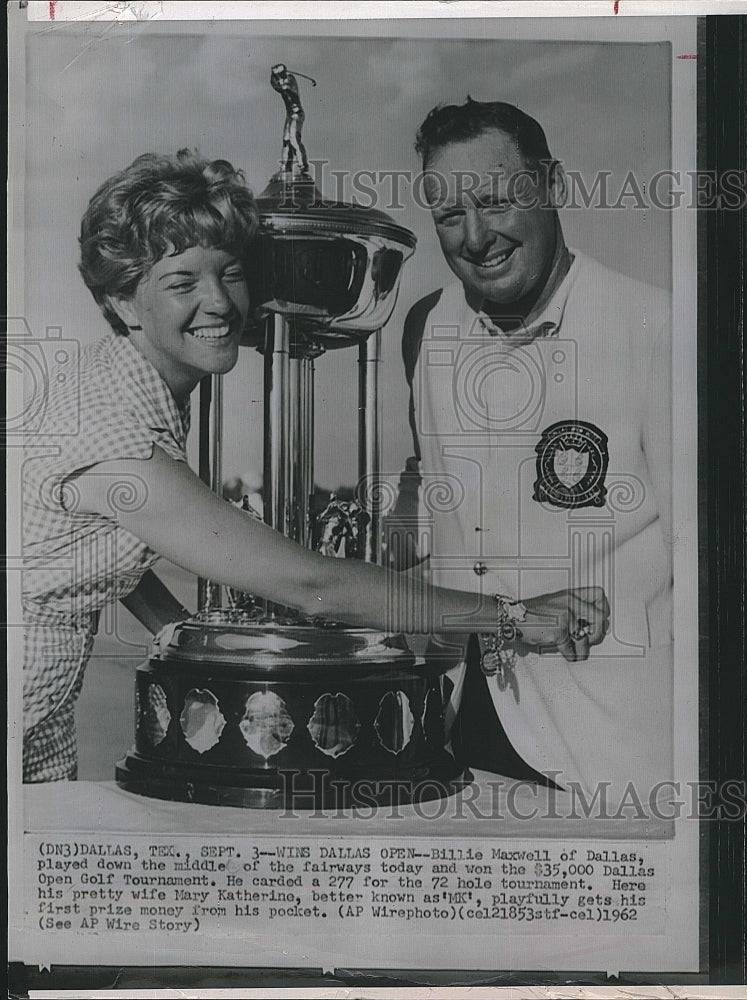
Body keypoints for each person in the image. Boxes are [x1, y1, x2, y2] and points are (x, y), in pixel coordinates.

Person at [21, 149, 608, 784]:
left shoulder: (118, 384)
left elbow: (103, 550)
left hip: (40, 721)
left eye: (233, 273)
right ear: (124, 302)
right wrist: (515, 616)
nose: (219, 303)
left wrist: (181, 633)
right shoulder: (113, 428)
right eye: (182, 283)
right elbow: (314, 585)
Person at [393, 99, 672, 796]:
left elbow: (718, 569)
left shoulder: (659, 327)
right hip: (456, 723)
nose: (476, 236)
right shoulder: (425, 324)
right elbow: (427, 494)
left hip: (610, 747)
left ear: (551, 185)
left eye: (494, 202)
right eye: (449, 215)